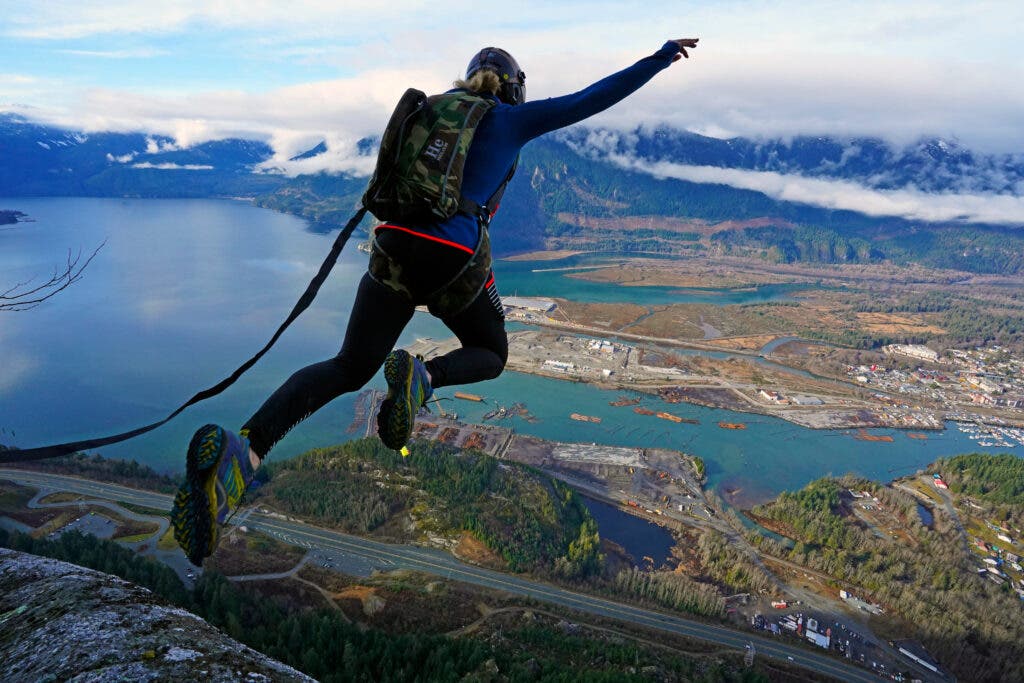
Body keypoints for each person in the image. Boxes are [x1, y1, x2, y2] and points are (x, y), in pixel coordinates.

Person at [172, 37, 700, 566]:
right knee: (491, 352)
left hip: (393, 246)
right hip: (454, 258)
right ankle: (424, 379)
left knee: (349, 365)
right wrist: (659, 57)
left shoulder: (427, 114)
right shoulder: (507, 120)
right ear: (512, 89)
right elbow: (593, 98)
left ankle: (245, 449)